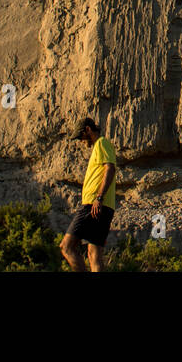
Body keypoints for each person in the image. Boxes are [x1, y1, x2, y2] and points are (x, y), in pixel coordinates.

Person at [61, 116, 116, 272]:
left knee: (66, 246)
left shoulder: (101, 143)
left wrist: (98, 198)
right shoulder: (100, 146)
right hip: (103, 206)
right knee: (93, 255)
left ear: (88, 130)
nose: (80, 141)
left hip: (94, 205)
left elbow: (110, 169)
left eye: (81, 136)